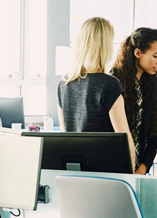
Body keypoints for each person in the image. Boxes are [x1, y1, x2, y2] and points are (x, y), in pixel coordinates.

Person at [57, 17, 135, 171]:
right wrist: (132, 176)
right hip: (105, 173)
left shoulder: (64, 83)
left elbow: (64, 135)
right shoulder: (109, 84)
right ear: (104, 46)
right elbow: (125, 141)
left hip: (75, 173)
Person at [111, 27, 157, 175]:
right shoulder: (114, 81)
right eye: (156, 56)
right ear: (137, 53)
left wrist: (142, 168)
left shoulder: (152, 85)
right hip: (115, 168)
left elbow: (153, 136)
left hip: (139, 170)